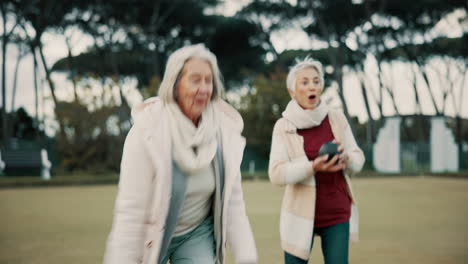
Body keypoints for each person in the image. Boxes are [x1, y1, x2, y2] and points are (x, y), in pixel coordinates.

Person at [103, 44, 257, 264]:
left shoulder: (223, 132)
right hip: (151, 236)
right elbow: (131, 212)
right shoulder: (147, 131)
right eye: (195, 80)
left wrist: (247, 258)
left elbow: (233, 203)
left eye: (209, 80)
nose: (204, 88)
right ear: (175, 85)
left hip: (196, 234)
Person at [268, 57, 365, 264]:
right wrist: (312, 167)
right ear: (293, 91)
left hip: (337, 211)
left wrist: (346, 158)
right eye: (304, 82)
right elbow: (276, 174)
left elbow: (358, 159)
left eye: (316, 81)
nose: (312, 86)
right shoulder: (283, 126)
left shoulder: (336, 118)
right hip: (299, 216)